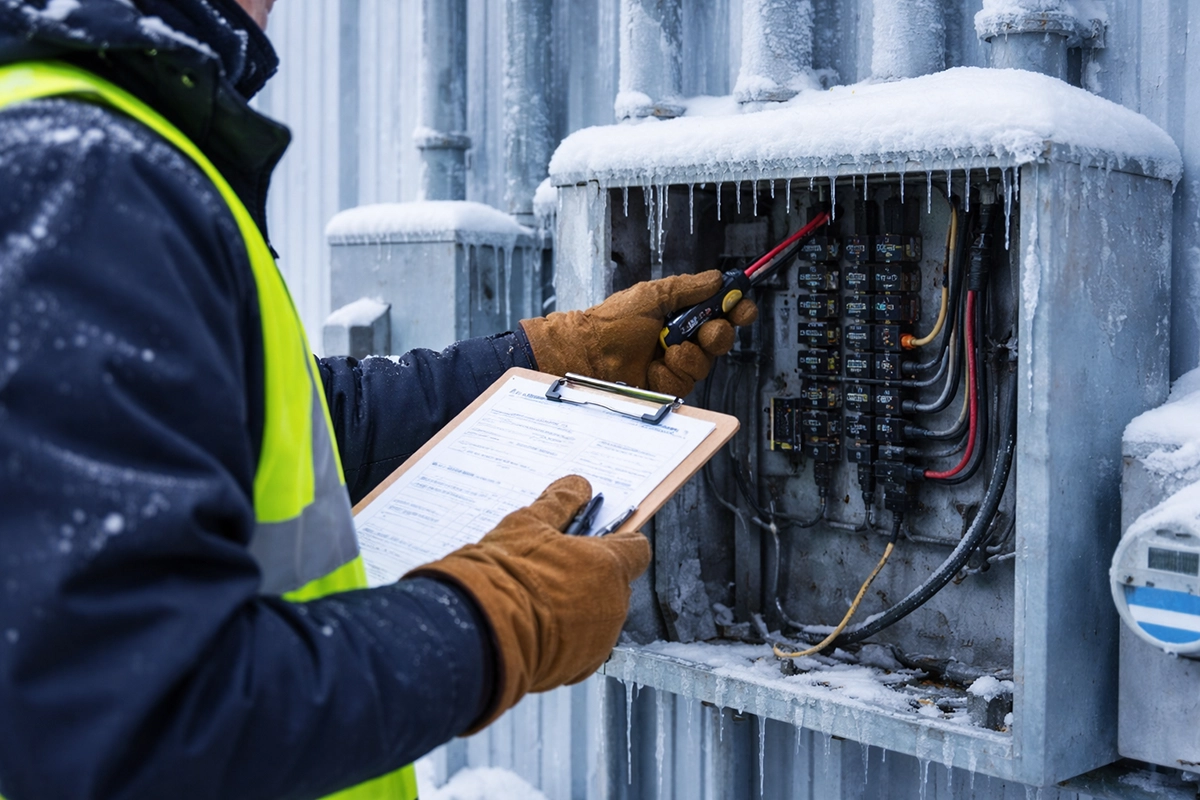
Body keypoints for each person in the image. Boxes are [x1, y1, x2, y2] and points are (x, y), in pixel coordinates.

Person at [0, 0, 756, 797]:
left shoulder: (91, 138)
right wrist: (496, 620)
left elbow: (299, 422)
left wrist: (549, 359)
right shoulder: (81, 172)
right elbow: (135, 715)